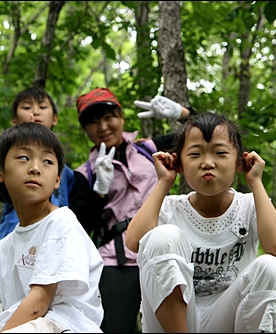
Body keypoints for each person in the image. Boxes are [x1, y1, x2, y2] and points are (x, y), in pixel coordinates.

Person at [124, 112, 276, 332]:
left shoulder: (250, 205)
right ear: (179, 164)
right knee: (161, 237)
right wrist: (163, 183)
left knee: (275, 269)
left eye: (220, 153)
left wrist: (256, 182)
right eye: (195, 154)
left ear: (239, 161)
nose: (207, 163)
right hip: (170, 322)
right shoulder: (169, 207)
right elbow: (133, 243)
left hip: (227, 317)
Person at [69, 87, 194, 333]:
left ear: (121, 118)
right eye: (93, 123)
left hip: (164, 251)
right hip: (115, 261)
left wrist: (182, 114)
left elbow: (208, 135)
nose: (103, 127)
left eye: (108, 118)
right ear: (86, 131)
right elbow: (81, 227)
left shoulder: (150, 150)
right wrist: (99, 191)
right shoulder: (84, 174)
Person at [0, 122, 104, 333]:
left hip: (64, 326)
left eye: (47, 161)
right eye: (24, 157)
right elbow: (5, 309)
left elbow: (39, 303)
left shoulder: (61, 222)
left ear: (57, 179)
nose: (35, 168)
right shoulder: (4, 247)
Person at [0, 87, 75, 329]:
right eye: (27, 108)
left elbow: (42, 302)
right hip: (17, 251)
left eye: (42, 107)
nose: (35, 113)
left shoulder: (63, 216)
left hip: (53, 256)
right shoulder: (5, 247)